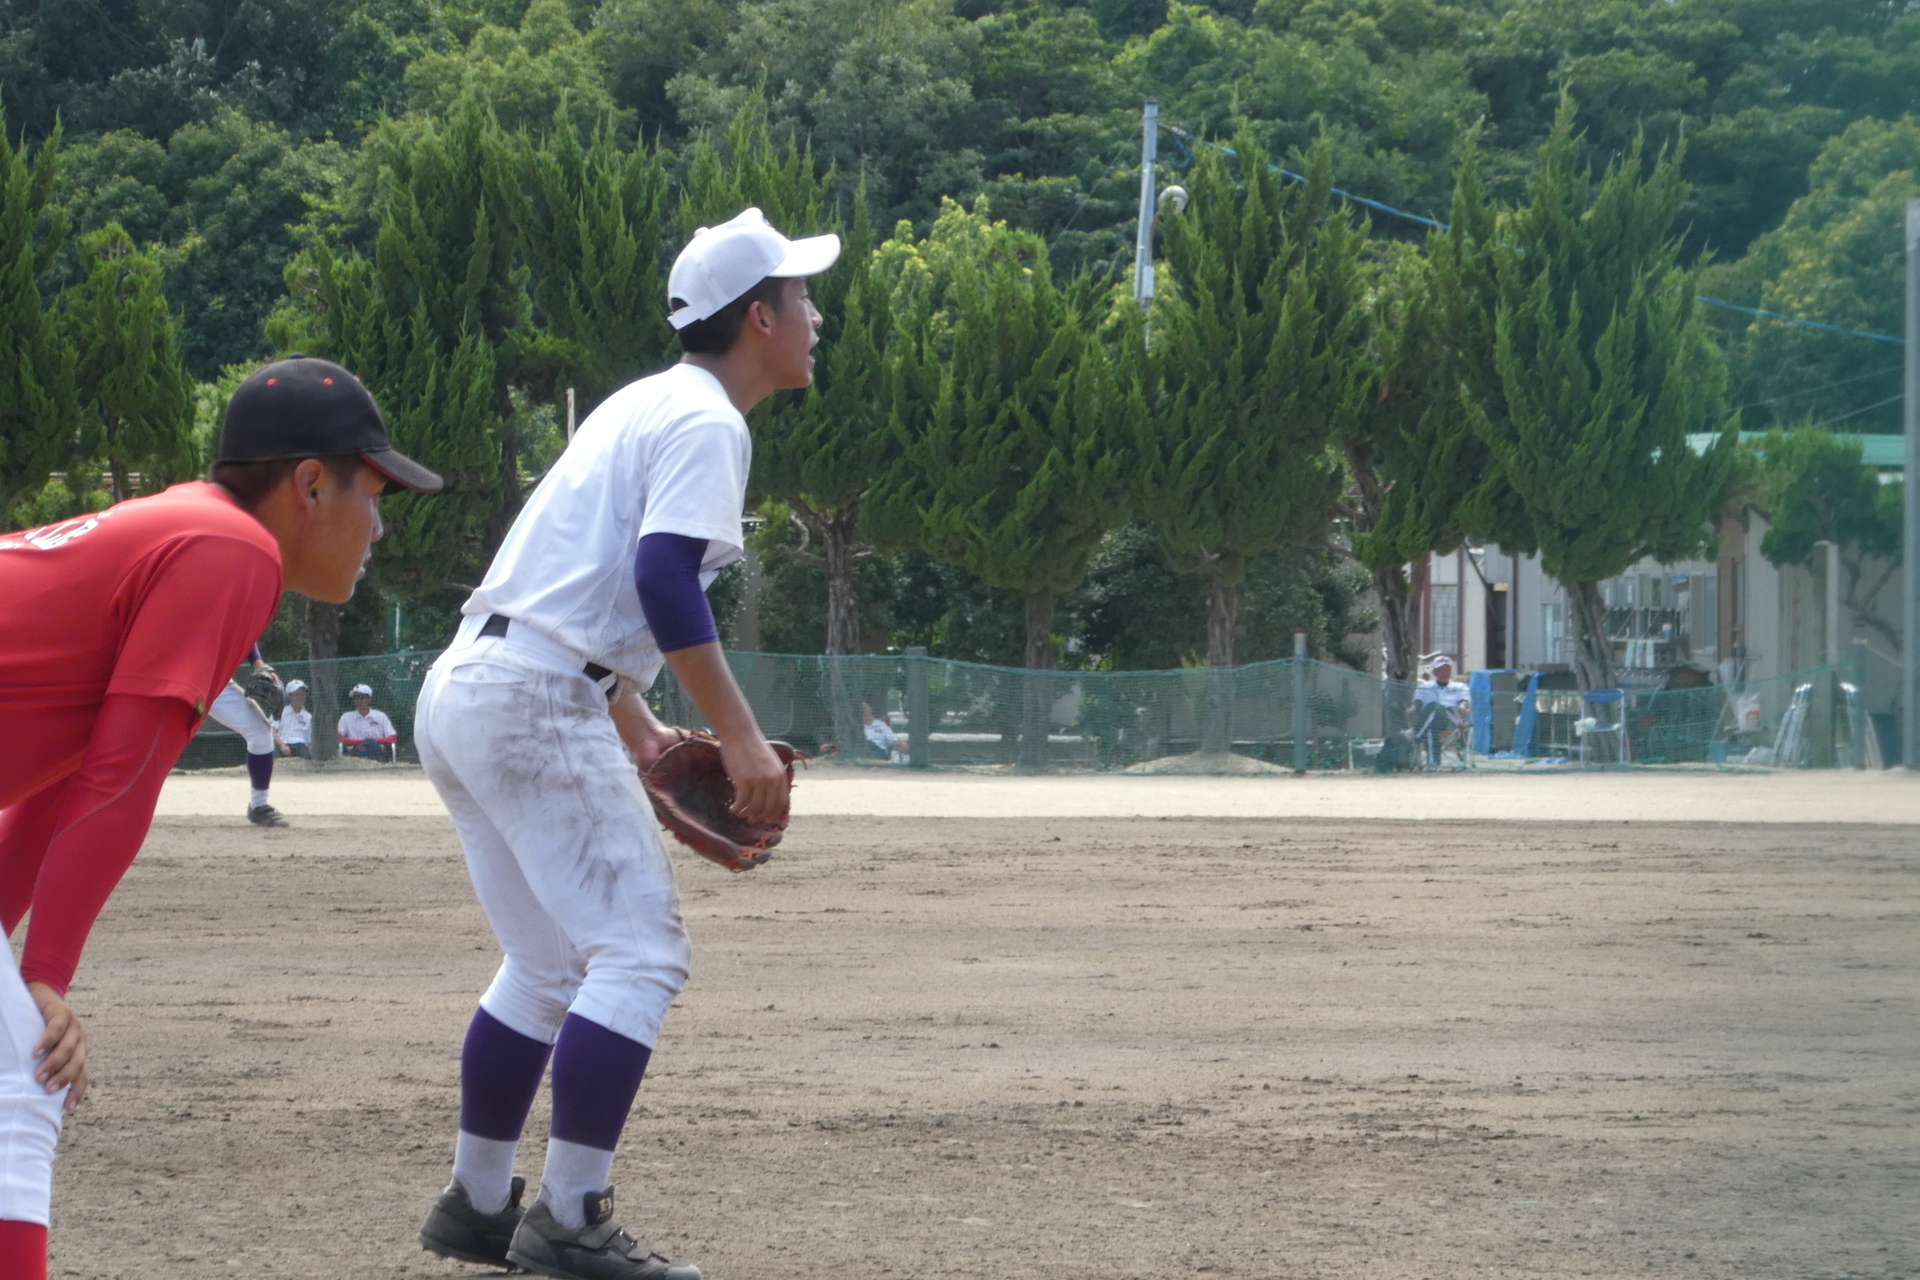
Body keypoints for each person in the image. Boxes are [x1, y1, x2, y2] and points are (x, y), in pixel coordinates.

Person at [414, 207, 835, 1280]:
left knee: (549, 959)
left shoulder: (643, 403)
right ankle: (569, 1217)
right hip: (531, 698)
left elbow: (578, 588)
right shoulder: (708, 422)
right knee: (640, 952)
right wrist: (739, 738)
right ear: (758, 317)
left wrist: (641, 726)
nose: (816, 314)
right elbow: (658, 576)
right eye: (801, 296)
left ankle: (475, 1200)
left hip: (477, 682)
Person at [0, 355, 441, 1279]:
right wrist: (41, 982)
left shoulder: (187, 529)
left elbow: (57, 777)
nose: (381, 522)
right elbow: (121, 780)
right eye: (375, 489)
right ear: (310, 485)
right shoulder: (231, 551)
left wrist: (21, 960)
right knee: (24, 1079)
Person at [205, 646, 289, 826]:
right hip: (168, 676)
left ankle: (259, 805)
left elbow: (242, 625)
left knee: (260, 731)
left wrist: (258, 663)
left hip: (213, 678)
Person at [1412, 655, 1472, 769]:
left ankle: (1416, 734)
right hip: (1431, 723)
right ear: (1434, 672)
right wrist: (1412, 708)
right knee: (1431, 727)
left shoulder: (1460, 686)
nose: (1445, 673)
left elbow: (1464, 702)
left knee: (1434, 707)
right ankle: (1432, 763)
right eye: (1441, 670)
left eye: (1447, 669)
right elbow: (1417, 703)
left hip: (1451, 722)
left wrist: (1463, 707)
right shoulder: (1425, 687)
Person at [338, 683, 398, 761]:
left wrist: (377, 740)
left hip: (378, 749)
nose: (358, 701)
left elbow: (393, 737)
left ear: (369, 699)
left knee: (372, 743)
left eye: (361, 697)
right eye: (356, 698)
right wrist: (362, 742)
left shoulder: (380, 716)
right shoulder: (346, 717)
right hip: (355, 752)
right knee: (368, 745)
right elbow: (339, 737)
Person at [277, 679, 314, 759]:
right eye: (296, 695)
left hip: (301, 745)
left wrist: (309, 750)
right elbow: (272, 731)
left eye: (302, 694)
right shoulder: (280, 711)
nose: (300, 698)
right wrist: (282, 745)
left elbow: (311, 740)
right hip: (283, 743)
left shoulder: (308, 717)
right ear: (289, 696)